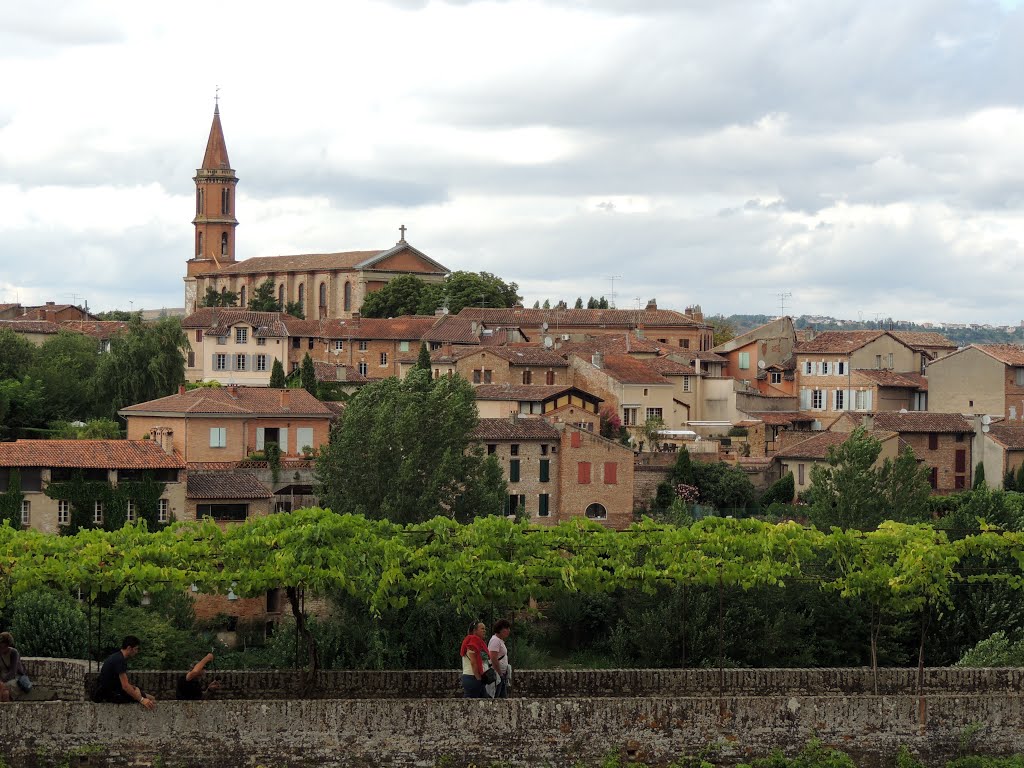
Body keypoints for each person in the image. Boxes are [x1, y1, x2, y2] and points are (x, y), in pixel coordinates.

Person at [94, 636, 156, 709]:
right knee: (150, 699)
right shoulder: (120, 661)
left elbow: (120, 682)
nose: (137, 652)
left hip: (109, 691)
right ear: (129, 648)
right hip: (112, 694)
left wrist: (135, 688)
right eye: (136, 649)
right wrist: (141, 700)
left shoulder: (117, 657)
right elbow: (125, 686)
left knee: (148, 697)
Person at [459, 620, 492, 699]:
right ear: (474, 631)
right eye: (482, 629)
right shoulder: (473, 641)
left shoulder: (477, 642)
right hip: (473, 677)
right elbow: (473, 662)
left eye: (485, 629)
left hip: (473, 677)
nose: (484, 631)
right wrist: (478, 679)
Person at [487, 619, 512, 699]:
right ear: (500, 629)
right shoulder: (495, 641)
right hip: (497, 674)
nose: (508, 631)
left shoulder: (499, 641)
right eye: (507, 628)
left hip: (501, 673)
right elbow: (493, 658)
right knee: (497, 697)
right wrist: (500, 673)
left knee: (502, 698)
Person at [0, 632, 28, 701]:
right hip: (2, 678)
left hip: (15, 679)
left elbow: (13, 672)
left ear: (7, 644)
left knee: (4, 687)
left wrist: (2, 681)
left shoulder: (13, 653)